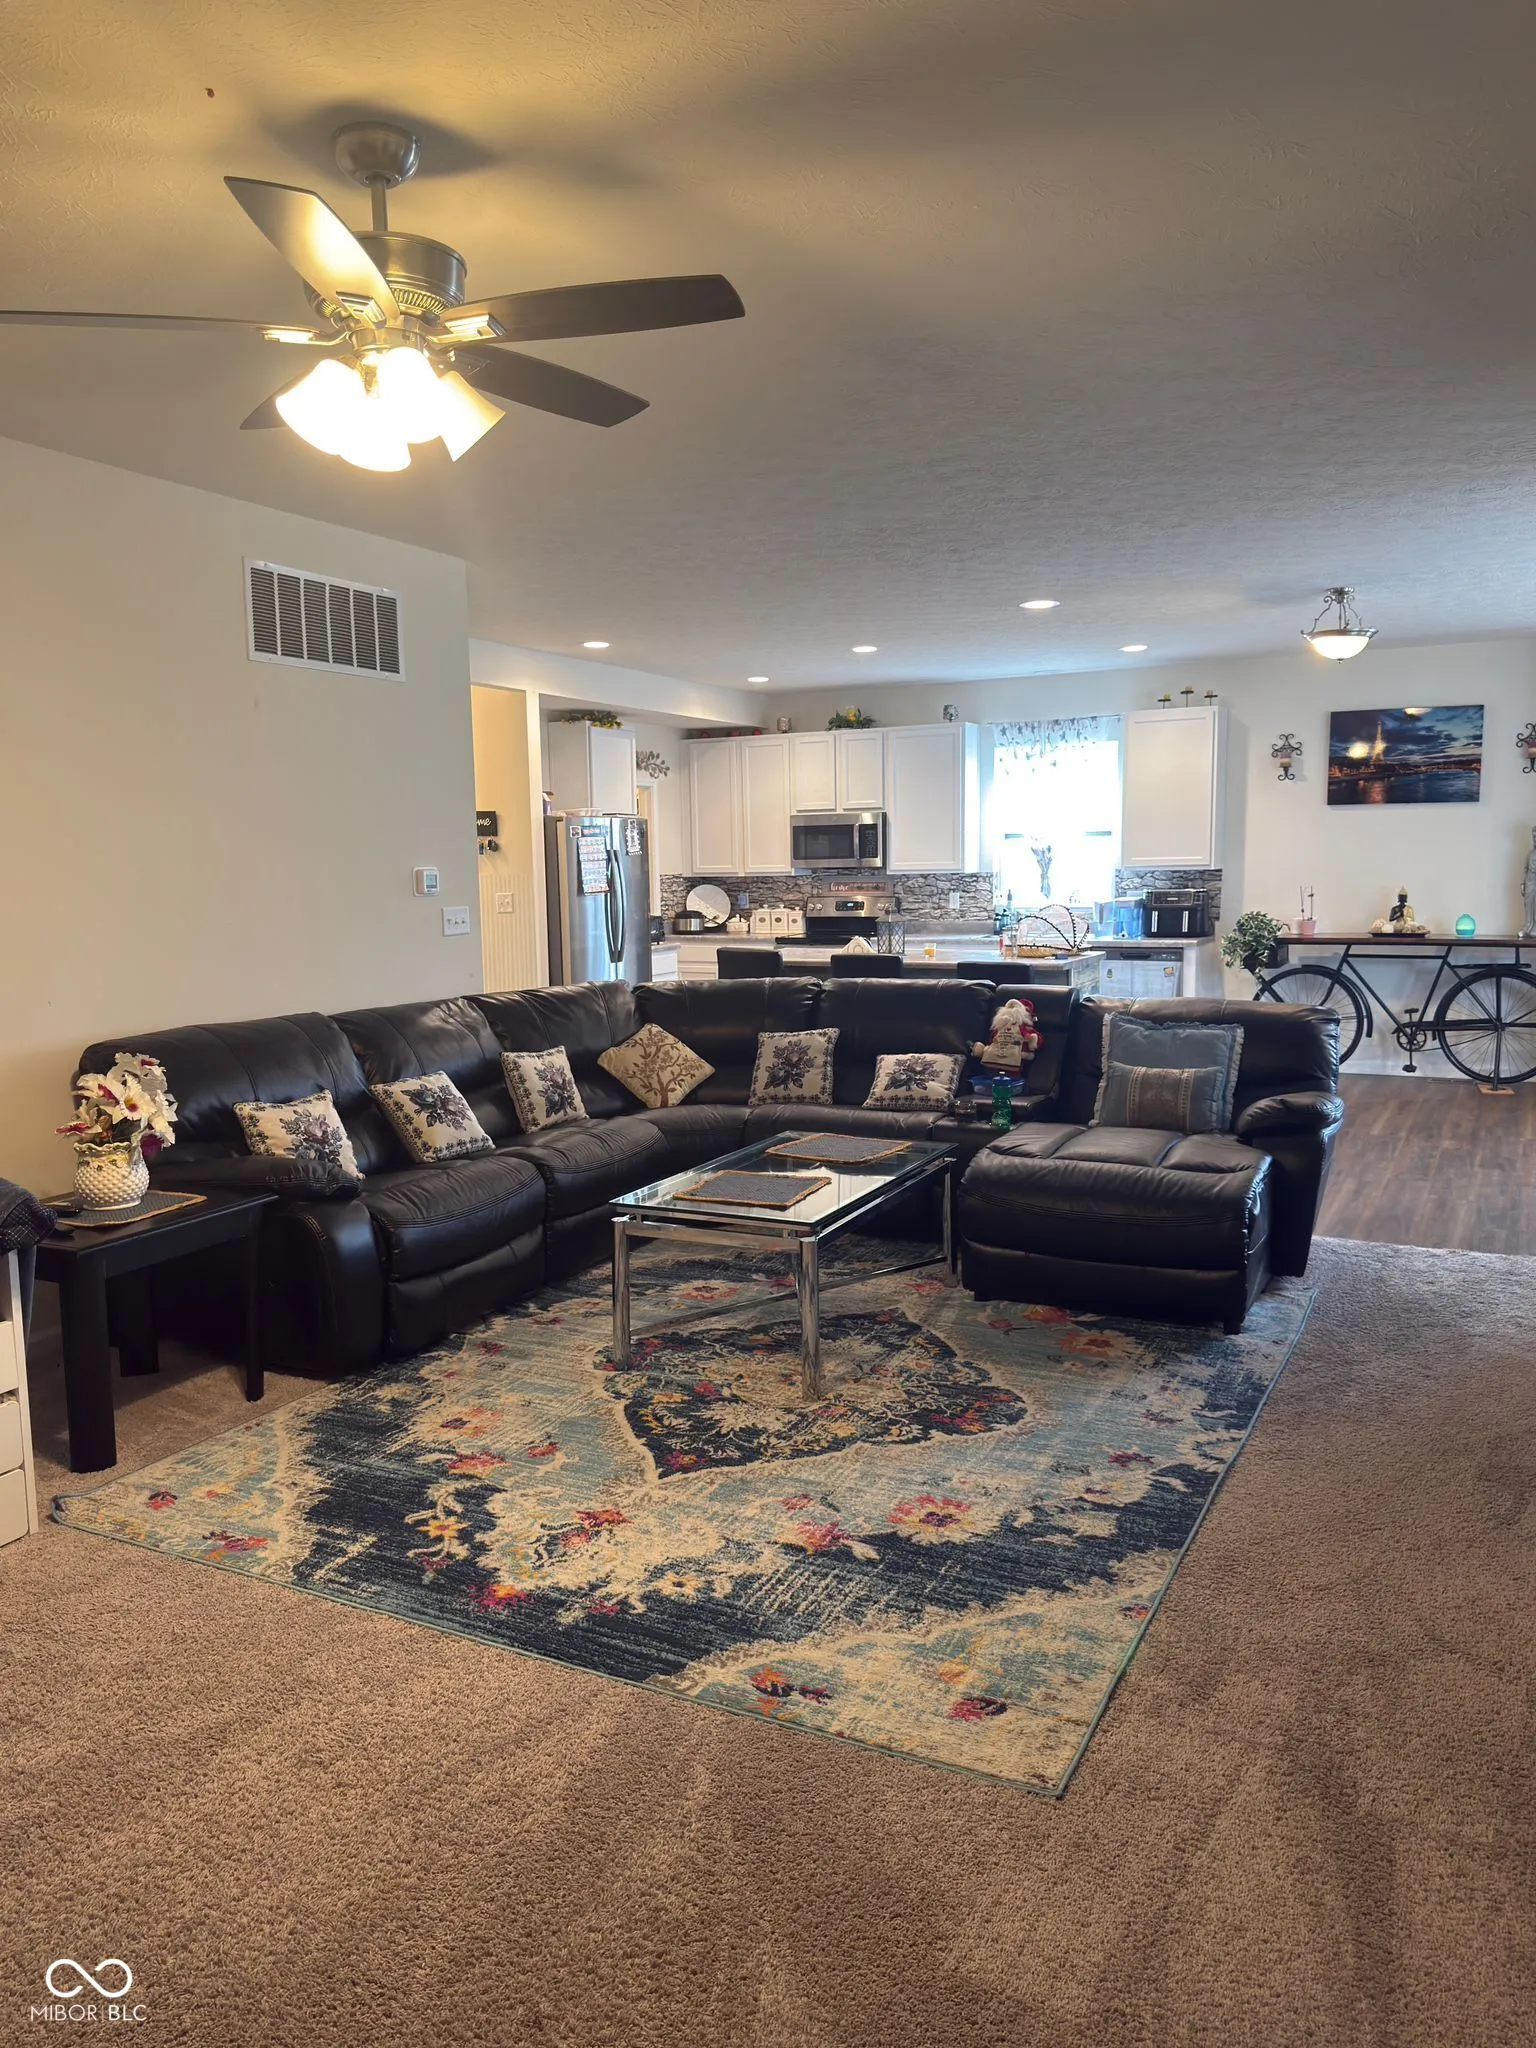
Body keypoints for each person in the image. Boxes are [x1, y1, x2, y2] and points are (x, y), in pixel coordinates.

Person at [1522, 826, 1536, 938]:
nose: (1535, 839)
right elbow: (1525, 869)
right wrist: (1522, 884)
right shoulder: (1530, 854)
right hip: (1530, 882)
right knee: (1528, 904)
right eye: (1533, 837)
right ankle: (1527, 927)